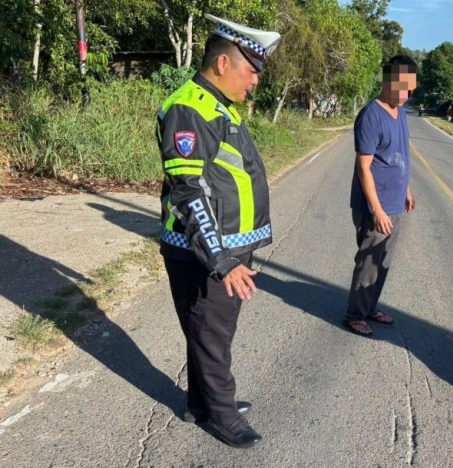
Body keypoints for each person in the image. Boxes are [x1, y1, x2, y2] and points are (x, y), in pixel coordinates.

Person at [156, 14, 280, 449]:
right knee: (211, 333)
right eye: (251, 71)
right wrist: (221, 260)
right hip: (206, 252)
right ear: (224, 63)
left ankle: (200, 402)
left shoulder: (219, 105)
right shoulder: (190, 107)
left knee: (207, 330)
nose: (255, 82)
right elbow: (189, 192)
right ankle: (222, 415)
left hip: (224, 246)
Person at [344, 55, 418, 337]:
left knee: (383, 260)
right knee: (368, 262)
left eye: (410, 89)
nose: (406, 95)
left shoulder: (400, 113)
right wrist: (376, 209)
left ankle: (370, 306)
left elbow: (399, 155)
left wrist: (407, 189)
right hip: (375, 206)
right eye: (401, 88)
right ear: (387, 81)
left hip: (395, 201)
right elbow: (364, 167)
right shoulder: (371, 116)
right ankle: (355, 315)